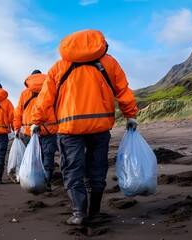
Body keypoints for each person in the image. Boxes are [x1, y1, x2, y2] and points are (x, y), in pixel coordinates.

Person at [31, 29, 138, 225]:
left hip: (69, 128)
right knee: (97, 169)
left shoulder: (59, 67)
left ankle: (79, 214)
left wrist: (36, 121)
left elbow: (45, 98)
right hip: (99, 126)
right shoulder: (109, 63)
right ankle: (95, 211)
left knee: (72, 169)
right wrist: (130, 115)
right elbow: (123, 91)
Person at [13, 70, 58, 191]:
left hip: (30, 130)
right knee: (48, 155)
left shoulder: (24, 94)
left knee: (34, 157)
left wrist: (17, 128)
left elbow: (18, 112)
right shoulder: (51, 89)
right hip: (49, 129)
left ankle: (34, 180)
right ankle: (47, 182)